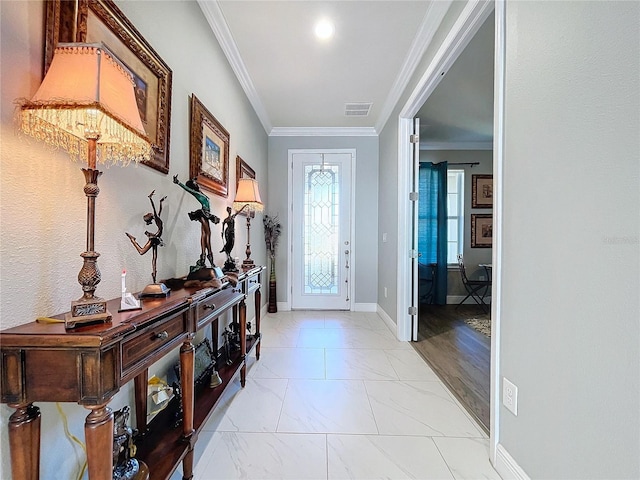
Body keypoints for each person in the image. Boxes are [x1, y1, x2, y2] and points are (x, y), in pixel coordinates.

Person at [173, 174, 220, 268]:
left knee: (204, 234)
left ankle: (203, 256)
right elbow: (188, 189)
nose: (197, 184)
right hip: (203, 214)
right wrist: (178, 182)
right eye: (195, 183)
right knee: (208, 234)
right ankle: (210, 258)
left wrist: (194, 179)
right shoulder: (195, 192)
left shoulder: (200, 192)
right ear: (193, 186)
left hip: (206, 214)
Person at [125, 190, 166, 284]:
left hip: (155, 239)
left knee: (154, 258)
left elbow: (158, 211)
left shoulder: (158, 220)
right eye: (150, 214)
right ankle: (133, 240)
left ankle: (154, 276)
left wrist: (160, 202)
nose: (151, 213)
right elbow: (156, 211)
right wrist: (150, 199)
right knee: (142, 251)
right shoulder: (158, 220)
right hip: (154, 239)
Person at [220, 206, 241, 271]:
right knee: (229, 243)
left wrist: (244, 206)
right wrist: (222, 233)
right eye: (229, 210)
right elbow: (223, 226)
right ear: (227, 211)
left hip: (232, 232)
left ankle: (228, 255)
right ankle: (228, 256)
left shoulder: (232, 217)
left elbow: (238, 212)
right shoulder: (226, 219)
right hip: (228, 232)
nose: (230, 211)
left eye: (230, 210)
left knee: (232, 244)